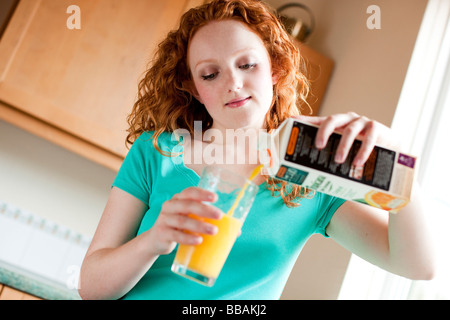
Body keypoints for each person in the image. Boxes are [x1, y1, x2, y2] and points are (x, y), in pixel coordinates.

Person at [78, 0, 435, 300]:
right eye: (209, 74)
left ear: (275, 69)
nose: (233, 83)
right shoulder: (156, 152)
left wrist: (398, 162)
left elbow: (417, 266)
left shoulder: (308, 178)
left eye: (247, 65)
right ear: (192, 87)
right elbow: (91, 287)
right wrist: (153, 241)